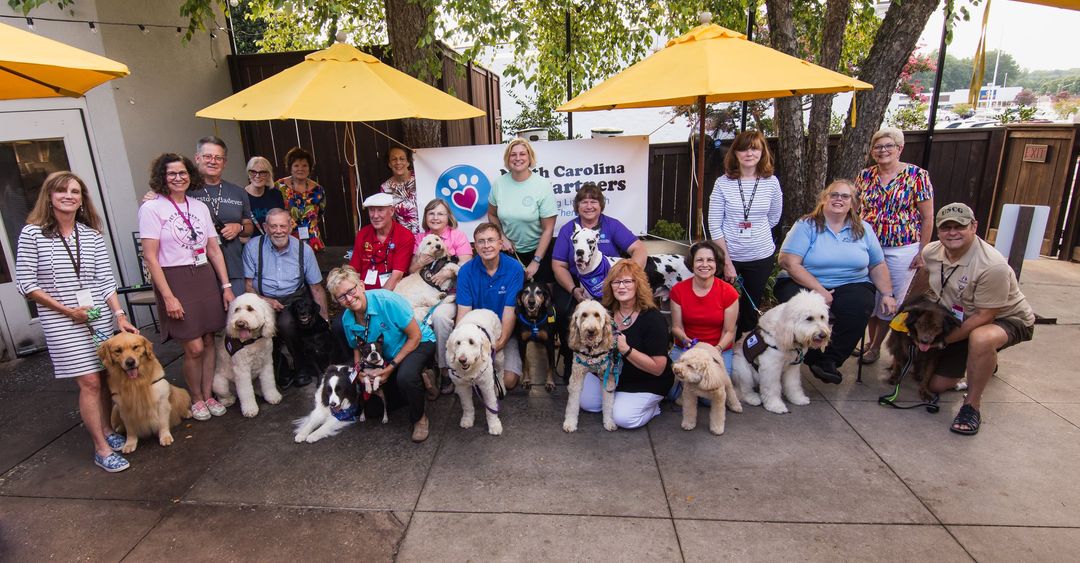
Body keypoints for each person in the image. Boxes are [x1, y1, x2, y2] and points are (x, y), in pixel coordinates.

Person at [16, 171, 139, 473]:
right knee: (88, 381)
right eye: (62, 191)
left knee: (104, 377)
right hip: (62, 321)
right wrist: (67, 311)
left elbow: (105, 280)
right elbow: (27, 284)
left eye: (75, 191)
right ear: (49, 196)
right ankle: (101, 448)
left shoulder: (91, 234)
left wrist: (119, 315)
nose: (69, 196)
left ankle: (109, 431)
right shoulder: (32, 234)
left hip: (95, 317)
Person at [909, 203, 1035, 435]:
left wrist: (940, 341)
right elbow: (924, 281)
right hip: (959, 317)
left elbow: (986, 316)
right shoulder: (931, 252)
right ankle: (984, 361)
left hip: (1006, 319)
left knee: (981, 339)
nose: (952, 232)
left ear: (974, 226)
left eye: (960, 226)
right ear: (938, 230)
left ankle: (972, 406)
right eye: (946, 227)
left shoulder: (992, 265)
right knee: (936, 385)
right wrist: (906, 310)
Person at [139, 153, 234, 421]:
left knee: (208, 341)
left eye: (182, 173)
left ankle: (208, 395)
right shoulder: (152, 208)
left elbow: (214, 250)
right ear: (162, 177)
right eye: (171, 173)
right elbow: (151, 257)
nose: (178, 178)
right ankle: (195, 398)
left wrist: (225, 286)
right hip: (175, 279)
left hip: (204, 275)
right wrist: (168, 296)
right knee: (192, 347)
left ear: (190, 175)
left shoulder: (199, 206)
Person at [775, 179, 896, 384]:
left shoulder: (863, 229)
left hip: (851, 283)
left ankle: (830, 361)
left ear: (853, 203)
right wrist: (819, 290)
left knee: (860, 305)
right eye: (834, 195)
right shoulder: (806, 225)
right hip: (804, 281)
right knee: (797, 306)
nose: (839, 199)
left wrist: (887, 294)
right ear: (824, 199)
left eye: (845, 196)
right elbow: (788, 262)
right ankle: (811, 357)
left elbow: (877, 264)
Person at [327, 265, 437, 442]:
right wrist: (360, 373)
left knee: (406, 377)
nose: (349, 298)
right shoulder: (348, 319)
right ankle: (421, 383)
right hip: (385, 357)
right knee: (373, 411)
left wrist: (391, 368)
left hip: (418, 343)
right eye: (341, 296)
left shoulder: (387, 301)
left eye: (351, 290)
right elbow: (356, 347)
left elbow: (415, 336)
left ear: (361, 285)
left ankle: (419, 418)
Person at [551, 182, 647, 378]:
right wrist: (572, 289)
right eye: (584, 202)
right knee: (562, 310)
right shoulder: (568, 230)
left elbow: (639, 249)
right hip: (578, 285)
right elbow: (558, 265)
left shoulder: (612, 225)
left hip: (611, 286)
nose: (588, 206)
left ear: (601, 205)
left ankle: (615, 358)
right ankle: (572, 356)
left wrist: (628, 278)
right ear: (577, 206)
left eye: (593, 201)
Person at [855, 127, 934, 364]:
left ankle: (877, 346)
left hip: (903, 247)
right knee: (870, 296)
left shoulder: (917, 175)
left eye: (889, 146)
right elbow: (856, 209)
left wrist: (923, 251)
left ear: (900, 148)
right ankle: (870, 340)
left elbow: (927, 217)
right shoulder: (865, 176)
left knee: (891, 298)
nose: (883, 151)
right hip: (869, 245)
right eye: (878, 147)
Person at [142, 137, 254, 295]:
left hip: (233, 267)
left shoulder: (238, 192)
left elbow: (249, 227)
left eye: (218, 157)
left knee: (236, 317)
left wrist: (239, 227)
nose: (213, 161)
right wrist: (155, 193)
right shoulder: (184, 188)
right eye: (207, 156)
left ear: (224, 161)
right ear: (197, 158)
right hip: (199, 269)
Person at [578, 259, 674, 429]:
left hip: (646, 380)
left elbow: (658, 368)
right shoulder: (605, 311)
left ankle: (653, 408)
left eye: (628, 281)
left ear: (638, 285)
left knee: (622, 418)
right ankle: (618, 398)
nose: (621, 286)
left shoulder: (653, 319)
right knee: (587, 403)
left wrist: (626, 349)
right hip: (612, 375)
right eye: (616, 282)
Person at [707, 130, 783, 337]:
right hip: (727, 254)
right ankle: (720, 343)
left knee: (751, 308)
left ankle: (743, 345)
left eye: (755, 148)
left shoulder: (771, 183)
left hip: (760, 255)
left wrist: (754, 232)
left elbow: (774, 217)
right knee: (719, 305)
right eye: (744, 149)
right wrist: (728, 263)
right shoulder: (723, 183)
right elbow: (714, 224)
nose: (749, 153)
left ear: (762, 152)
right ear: (736, 153)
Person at [243, 208, 329, 389]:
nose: (278, 230)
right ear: (265, 227)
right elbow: (248, 286)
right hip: (260, 300)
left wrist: (324, 320)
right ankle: (279, 368)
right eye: (273, 226)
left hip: (292, 299)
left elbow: (316, 287)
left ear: (291, 226)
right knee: (254, 326)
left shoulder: (303, 250)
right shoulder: (253, 247)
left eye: (283, 225)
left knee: (286, 324)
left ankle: (301, 366)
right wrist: (266, 301)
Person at [409, 198, 473, 395]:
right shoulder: (420, 238)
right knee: (411, 316)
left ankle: (445, 370)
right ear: (426, 217)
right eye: (431, 213)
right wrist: (420, 261)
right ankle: (421, 369)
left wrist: (448, 271)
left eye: (440, 214)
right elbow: (411, 270)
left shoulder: (457, 236)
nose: (435, 217)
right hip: (425, 294)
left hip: (451, 294)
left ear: (448, 218)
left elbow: (467, 267)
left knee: (439, 317)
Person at [455, 222, 525, 392]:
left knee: (507, 382)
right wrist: (463, 346)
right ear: (475, 246)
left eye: (491, 240)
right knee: (472, 379)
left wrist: (500, 343)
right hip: (476, 335)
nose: (486, 246)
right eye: (481, 241)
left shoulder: (515, 268)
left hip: (503, 332)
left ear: (500, 244)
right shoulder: (465, 271)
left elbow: (510, 312)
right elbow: (463, 314)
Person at [487, 138, 557, 282]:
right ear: (508, 158)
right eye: (513, 155)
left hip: (539, 252)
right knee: (512, 297)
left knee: (543, 299)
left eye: (522, 154)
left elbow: (548, 229)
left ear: (529, 157)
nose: (518, 158)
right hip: (509, 252)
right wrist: (502, 238)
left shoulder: (542, 185)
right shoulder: (499, 184)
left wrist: (536, 261)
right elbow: (492, 215)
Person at [670, 241, 740, 374]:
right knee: (673, 392)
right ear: (692, 264)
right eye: (699, 260)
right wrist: (686, 341)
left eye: (710, 260)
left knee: (713, 389)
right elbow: (676, 327)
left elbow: (729, 332)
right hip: (686, 348)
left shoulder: (729, 292)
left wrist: (716, 350)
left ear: (717, 264)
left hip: (718, 348)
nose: (704, 264)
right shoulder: (678, 290)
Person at [348, 192, 415, 291]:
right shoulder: (363, 234)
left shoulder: (405, 236)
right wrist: (356, 293)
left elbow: (397, 276)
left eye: (380, 210)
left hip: (391, 295)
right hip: (363, 293)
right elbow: (354, 270)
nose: (375, 215)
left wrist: (378, 300)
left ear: (392, 211)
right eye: (371, 210)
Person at [277, 146, 326, 251]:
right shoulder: (279, 187)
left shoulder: (318, 190)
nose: (300, 169)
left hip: (313, 242)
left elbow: (320, 213)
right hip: (287, 241)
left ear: (309, 168)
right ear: (290, 167)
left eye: (304, 165)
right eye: (296, 165)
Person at [243, 156, 284, 240]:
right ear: (248, 173)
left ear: (269, 175)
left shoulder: (276, 194)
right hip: (252, 246)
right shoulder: (240, 196)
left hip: (275, 244)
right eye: (253, 172)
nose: (257, 176)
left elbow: (282, 221)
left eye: (262, 172)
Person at [381, 146, 420, 234]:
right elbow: (389, 217)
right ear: (389, 164)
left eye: (402, 159)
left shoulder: (420, 177)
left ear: (408, 162)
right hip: (403, 236)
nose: (398, 162)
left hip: (427, 234)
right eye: (394, 159)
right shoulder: (385, 187)